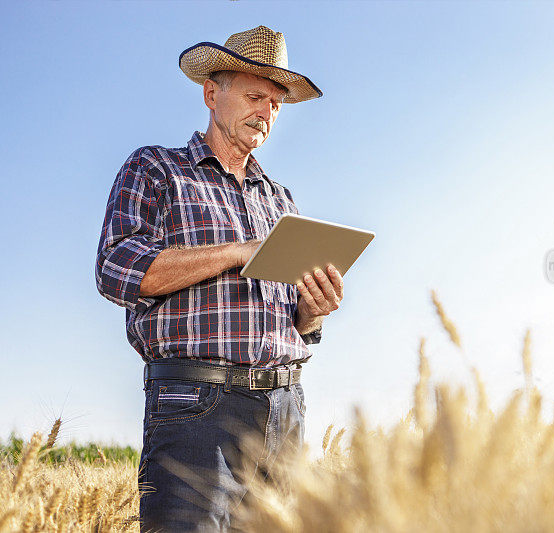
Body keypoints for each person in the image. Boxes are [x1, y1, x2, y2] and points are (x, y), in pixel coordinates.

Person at [94, 25, 343, 532]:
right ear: (212, 93)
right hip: (197, 409)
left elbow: (295, 321)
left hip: (284, 411)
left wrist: (312, 310)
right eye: (255, 96)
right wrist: (237, 251)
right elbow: (116, 269)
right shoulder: (157, 169)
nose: (267, 112)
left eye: (276, 103)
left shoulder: (281, 200)